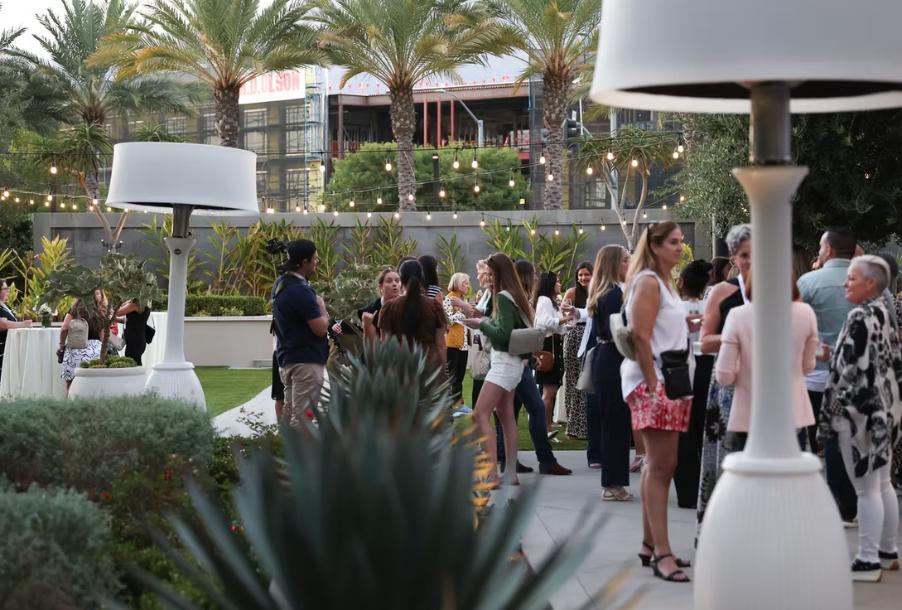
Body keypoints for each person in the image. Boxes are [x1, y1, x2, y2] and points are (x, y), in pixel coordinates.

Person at [818, 255, 901, 582]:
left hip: (859, 415)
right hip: (883, 410)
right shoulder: (883, 312)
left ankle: (867, 559)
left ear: (870, 283)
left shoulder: (859, 316)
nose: (844, 283)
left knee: (867, 489)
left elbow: (850, 372)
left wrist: (838, 410)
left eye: (851, 278)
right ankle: (887, 550)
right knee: (881, 485)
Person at [621, 221, 693, 583]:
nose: (679, 247)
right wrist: (652, 384)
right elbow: (641, 337)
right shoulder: (650, 281)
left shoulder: (663, 282)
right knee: (664, 466)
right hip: (657, 382)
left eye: (680, 242)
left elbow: (659, 330)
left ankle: (651, 544)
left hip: (669, 379)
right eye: (674, 242)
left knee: (657, 464)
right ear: (655, 245)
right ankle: (662, 552)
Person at [715, 274, 819, 451]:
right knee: (789, 473)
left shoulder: (737, 315)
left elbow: (724, 375)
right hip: (793, 409)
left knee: (752, 473)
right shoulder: (806, 313)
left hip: (748, 412)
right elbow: (808, 366)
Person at [798, 226, 858, 524]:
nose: (819, 252)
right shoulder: (874, 284)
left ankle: (830, 499)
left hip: (816, 376)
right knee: (848, 438)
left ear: (830, 250)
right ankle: (848, 500)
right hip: (859, 378)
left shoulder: (808, 282)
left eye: (821, 247)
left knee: (816, 439)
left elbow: (793, 323)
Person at [696, 223, 751, 530]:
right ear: (733, 257)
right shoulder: (722, 291)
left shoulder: (781, 287)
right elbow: (705, 340)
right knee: (727, 457)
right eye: (745, 255)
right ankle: (721, 531)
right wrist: (738, 336)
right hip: (729, 384)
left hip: (768, 383)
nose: (751, 262)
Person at [495, 260, 572, 476]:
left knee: (509, 411)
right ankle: (545, 460)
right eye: (533, 275)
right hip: (517, 364)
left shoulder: (509, 297)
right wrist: (528, 356)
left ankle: (508, 458)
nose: (536, 280)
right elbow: (511, 333)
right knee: (536, 409)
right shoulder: (512, 299)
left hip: (517, 362)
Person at [463, 253, 534, 486]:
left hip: (503, 363)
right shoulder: (514, 296)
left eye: (491, 274)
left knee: (480, 414)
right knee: (506, 416)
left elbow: (503, 334)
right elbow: (508, 328)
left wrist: (480, 323)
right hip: (513, 363)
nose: (489, 278)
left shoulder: (503, 297)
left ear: (499, 273)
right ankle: (510, 473)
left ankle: (492, 474)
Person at [587, 245, 633, 500]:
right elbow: (618, 332)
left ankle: (614, 482)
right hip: (613, 359)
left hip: (608, 359)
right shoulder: (613, 295)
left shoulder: (605, 292)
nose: (629, 264)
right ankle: (613, 484)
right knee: (615, 423)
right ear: (616, 264)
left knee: (614, 422)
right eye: (626, 260)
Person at [272, 239, 330, 429]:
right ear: (304, 262)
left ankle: (284, 454)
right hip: (306, 364)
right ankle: (301, 457)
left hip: (288, 359)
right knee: (304, 420)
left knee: (289, 417)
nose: (317, 262)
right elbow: (320, 328)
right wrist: (322, 308)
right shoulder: (300, 291)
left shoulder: (280, 284)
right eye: (315, 259)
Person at [673, 259, 711, 508]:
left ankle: (687, 492)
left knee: (684, 432)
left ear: (682, 282)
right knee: (707, 428)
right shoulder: (711, 306)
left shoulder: (675, 309)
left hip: (683, 367)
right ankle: (709, 487)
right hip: (708, 366)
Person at [378, 260, 447, 366]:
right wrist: (442, 371)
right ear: (421, 277)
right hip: (430, 365)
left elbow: (385, 344)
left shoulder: (389, 307)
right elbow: (441, 344)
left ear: (401, 279)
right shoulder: (434, 306)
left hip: (400, 366)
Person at [562, 262, 593, 440]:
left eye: (586, 274)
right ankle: (573, 426)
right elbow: (563, 316)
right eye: (580, 275)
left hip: (589, 338)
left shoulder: (598, 291)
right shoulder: (572, 293)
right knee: (573, 381)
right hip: (574, 337)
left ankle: (586, 426)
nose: (583, 278)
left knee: (586, 381)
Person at [534, 271, 567, 432]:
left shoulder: (552, 302)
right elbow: (544, 322)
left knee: (551, 391)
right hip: (549, 347)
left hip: (555, 345)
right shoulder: (545, 300)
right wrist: (564, 319)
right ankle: (544, 427)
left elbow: (559, 328)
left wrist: (566, 321)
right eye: (557, 282)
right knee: (548, 392)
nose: (559, 284)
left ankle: (546, 425)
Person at [57, 298, 104, 392]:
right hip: (95, 351)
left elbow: (64, 328)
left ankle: (71, 406)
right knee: (94, 388)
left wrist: (62, 345)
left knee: (70, 388)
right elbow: (103, 334)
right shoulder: (99, 310)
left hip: (75, 351)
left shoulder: (75, 309)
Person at [444, 272, 471, 404]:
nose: (468, 286)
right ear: (457, 284)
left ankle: (459, 404)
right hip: (452, 344)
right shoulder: (449, 298)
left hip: (463, 343)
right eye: (465, 283)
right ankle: (453, 405)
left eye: (467, 283)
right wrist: (462, 311)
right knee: (453, 377)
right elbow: (447, 320)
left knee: (460, 377)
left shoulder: (462, 299)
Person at [0, 280, 33, 381]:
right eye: (5, 289)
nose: (8, 291)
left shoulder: (5, 306)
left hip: (8, 347)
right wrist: (23, 324)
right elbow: (2, 324)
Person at [359, 267, 402, 344]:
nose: (394, 284)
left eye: (397, 281)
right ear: (381, 287)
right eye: (389, 281)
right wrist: (367, 325)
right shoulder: (369, 312)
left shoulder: (408, 307)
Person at [116, 299, 151, 365]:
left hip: (135, 341)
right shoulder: (144, 301)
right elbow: (132, 320)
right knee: (134, 363)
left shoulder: (135, 304)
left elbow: (118, 312)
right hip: (137, 340)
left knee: (133, 365)